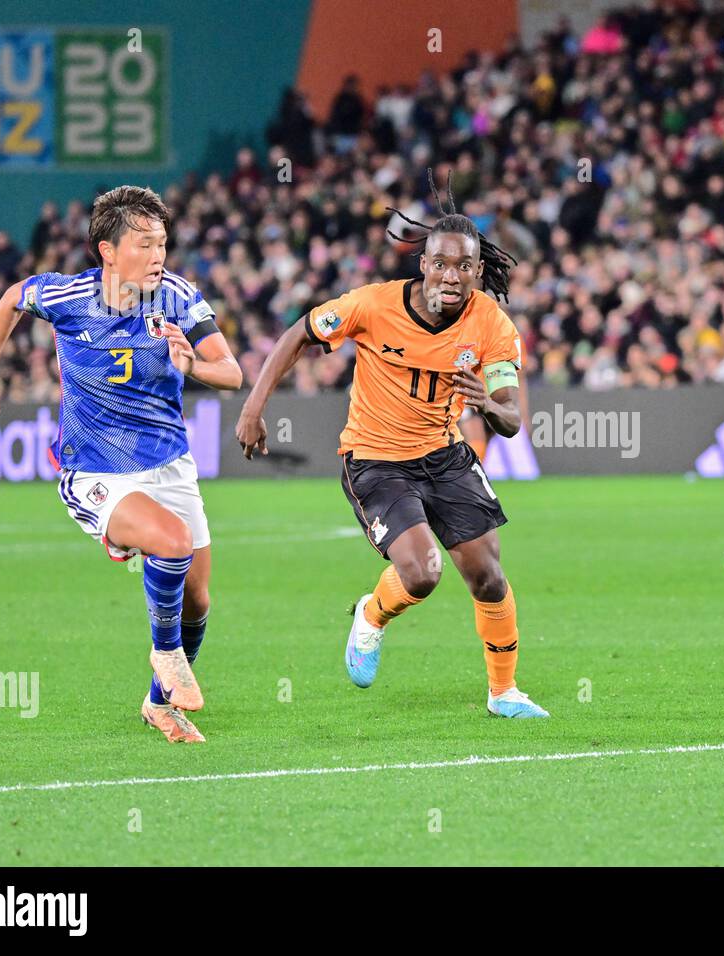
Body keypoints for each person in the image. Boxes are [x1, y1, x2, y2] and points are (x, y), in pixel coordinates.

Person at [235, 174, 549, 717]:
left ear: (478, 271)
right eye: (442, 264)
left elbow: (511, 420)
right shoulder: (372, 306)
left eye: (465, 266)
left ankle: (504, 692)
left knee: (488, 574)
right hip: (376, 458)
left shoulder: (491, 324)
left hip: (445, 454)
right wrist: (253, 407)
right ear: (424, 264)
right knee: (423, 573)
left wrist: (488, 404)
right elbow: (298, 335)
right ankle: (372, 614)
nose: (452, 276)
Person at [0, 186, 242, 743]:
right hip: (95, 470)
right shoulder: (68, 296)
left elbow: (232, 373)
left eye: (163, 242)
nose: (159, 255)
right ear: (107, 250)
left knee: (198, 599)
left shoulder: (180, 299)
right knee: (172, 541)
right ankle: (165, 654)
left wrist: (191, 364)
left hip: (169, 464)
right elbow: (11, 300)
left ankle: (158, 704)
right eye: (144, 244)